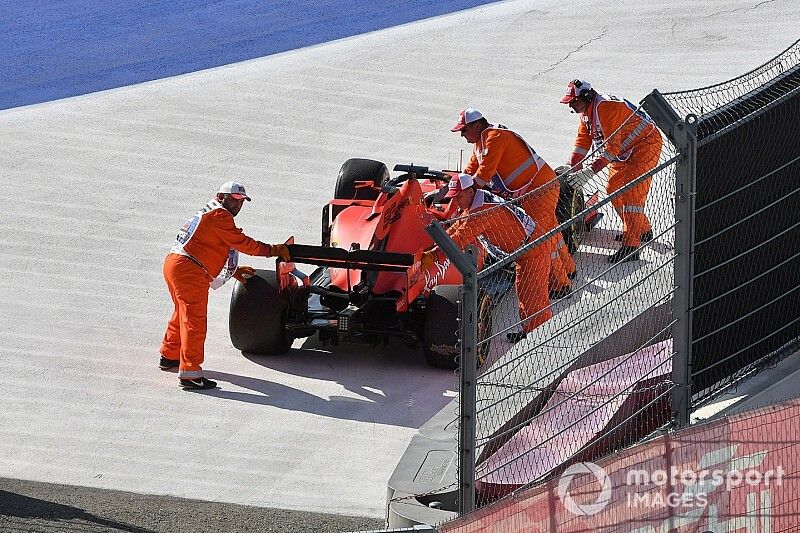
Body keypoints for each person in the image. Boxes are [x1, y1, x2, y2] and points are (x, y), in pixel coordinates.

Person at [159, 181, 290, 390]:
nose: (238, 205)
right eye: (234, 200)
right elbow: (242, 243)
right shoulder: (220, 215)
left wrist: (234, 271)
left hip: (176, 264)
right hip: (189, 270)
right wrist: (273, 249)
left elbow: (211, 246)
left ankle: (169, 355)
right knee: (194, 321)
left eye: (241, 202)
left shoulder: (210, 213)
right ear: (221, 197)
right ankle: (190, 373)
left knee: (181, 313)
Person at [451, 108, 575, 298]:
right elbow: (469, 172)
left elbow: (483, 175)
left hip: (540, 189)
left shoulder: (494, 138)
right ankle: (568, 269)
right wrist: (447, 189)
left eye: (464, 130)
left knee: (538, 240)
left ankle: (560, 285)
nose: (461, 134)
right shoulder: (481, 143)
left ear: (477, 125)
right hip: (535, 190)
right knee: (551, 231)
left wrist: (462, 193)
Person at [421, 173, 552, 341]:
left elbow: (460, 238)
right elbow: (458, 226)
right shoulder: (476, 201)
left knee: (534, 297)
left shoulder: (482, 210)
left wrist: (434, 255)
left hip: (533, 250)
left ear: (470, 192)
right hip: (525, 250)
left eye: (459, 196)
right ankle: (532, 332)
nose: (456, 202)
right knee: (525, 294)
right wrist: (437, 245)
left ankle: (543, 338)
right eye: (454, 197)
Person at [560, 79, 663, 263]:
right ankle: (642, 230)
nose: (572, 106)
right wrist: (572, 166)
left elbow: (611, 149)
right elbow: (582, 144)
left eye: (574, 102)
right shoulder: (586, 113)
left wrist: (589, 172)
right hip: (624, 152)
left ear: (586, 96)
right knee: (613, 190)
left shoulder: (606, 108)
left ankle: (631, 247)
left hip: (645, 146)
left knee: (632, 195)